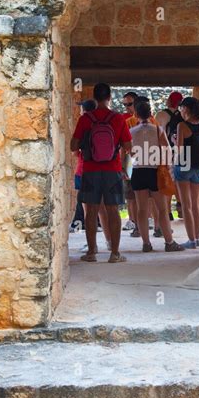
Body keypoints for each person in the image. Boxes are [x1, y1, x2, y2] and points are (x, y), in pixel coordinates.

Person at [71, 83, 132, 263]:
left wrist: (87, 144)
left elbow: (73, 146)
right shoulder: (118, 119)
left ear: (94, 97)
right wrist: (123, 165)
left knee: (91, 211)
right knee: (113, 210)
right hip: (112, 171)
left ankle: (91, 252)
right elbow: (129, 147)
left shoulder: (85, 119)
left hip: (90, 170)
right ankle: (115, 253)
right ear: (109, 97)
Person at [130, 99, 184, 253]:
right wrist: (167, 167)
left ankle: (146, 243)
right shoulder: (158, 130)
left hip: (138, 170)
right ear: (151, 114)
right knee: (161, 209)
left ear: (136, 114)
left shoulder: (131, 132)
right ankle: (169, 242)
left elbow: (129, 151)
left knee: (141, 210)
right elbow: (167, 150)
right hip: (155, 171)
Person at [72, 98, 112, 252]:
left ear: (84, 111)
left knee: (89, 211)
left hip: (84, 171)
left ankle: (92, 246)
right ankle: (110, 242)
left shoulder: (83, 124)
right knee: (102, 209)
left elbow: (75, 151)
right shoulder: (105, 123)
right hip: (102, 171)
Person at [173, 96, 199, 249]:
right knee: (195, 204)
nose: (180, 111)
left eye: (181, 108)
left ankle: (191, 240)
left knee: (186, 205)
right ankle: (198, 237)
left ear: (186, 109)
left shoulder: (182, 126)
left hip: (184, 165)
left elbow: (180, 150)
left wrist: (175, 142)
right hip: (198, 167)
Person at [156, 91, 184, 220]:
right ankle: (181, 208)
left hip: (166, 153)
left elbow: (158, 136)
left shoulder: (161, 115)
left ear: (169, 100)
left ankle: (167, 212)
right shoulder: (183, 115)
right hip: (182, 154)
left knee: (167, 182)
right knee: (180, 181)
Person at [121, 91, 140, 236]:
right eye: (125, 104)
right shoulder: (123, 120)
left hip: (140, 162)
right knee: (131, 196)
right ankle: (134, 222)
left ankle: (143, 222)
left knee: (143, 196)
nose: (127, 107)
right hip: (131, 162)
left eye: (129, 104)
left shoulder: (130, 122)